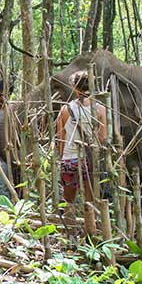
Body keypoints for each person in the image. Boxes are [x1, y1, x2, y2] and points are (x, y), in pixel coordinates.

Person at [55, 70, 107, 203]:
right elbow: (102, 138)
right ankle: (90, 223)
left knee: (68, 201)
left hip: (69, 159)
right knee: (90, 202)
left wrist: (62, 158)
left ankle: (69, 220)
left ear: (74, 87)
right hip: (90, 160)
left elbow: (60, 138)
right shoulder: (100, 110)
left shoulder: (65, 109)